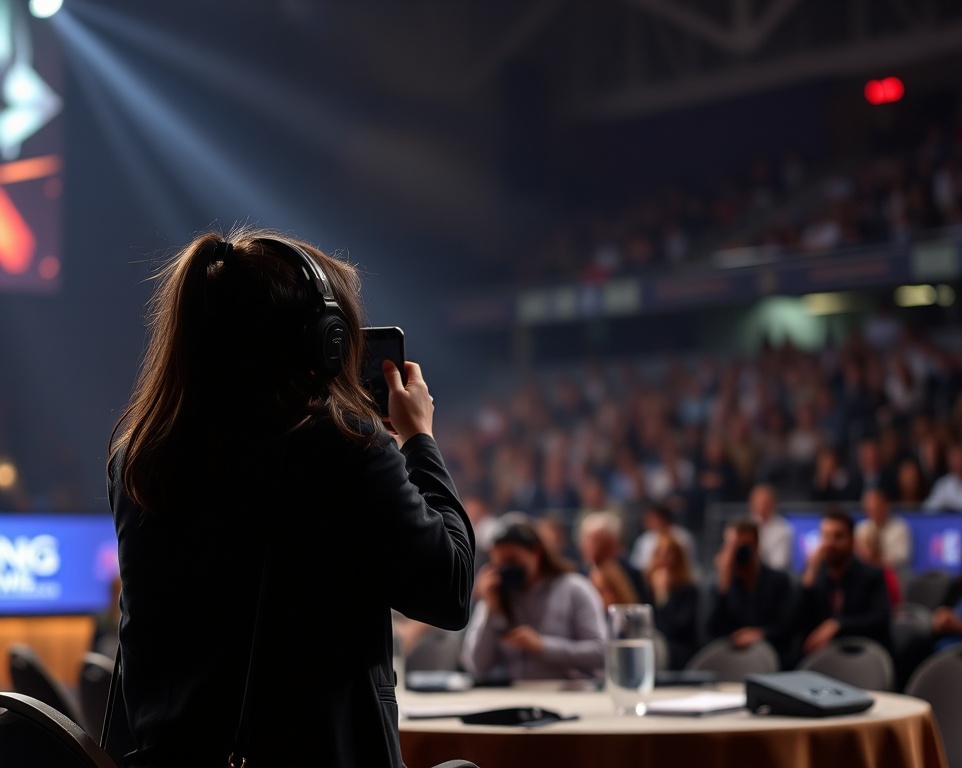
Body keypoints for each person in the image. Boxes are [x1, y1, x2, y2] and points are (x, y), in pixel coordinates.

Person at [108, 229, 475, 768]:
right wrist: (419, 438)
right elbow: (451, 590)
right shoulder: (342, 444)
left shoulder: (138, 457)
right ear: (320, 340)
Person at [460, 516, 606, 681]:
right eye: (500, 564)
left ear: (536, 552)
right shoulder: (497, 595)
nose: (507, 569)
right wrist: (490, 608)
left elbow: (602, 653)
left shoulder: (574, 589)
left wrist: (542, 646)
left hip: (569, 692)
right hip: (517, 695)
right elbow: (475, 666)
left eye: (512, 560)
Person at [785, 510, 892, 668]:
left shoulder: (872, 575)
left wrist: (838, 625)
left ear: (851, 540)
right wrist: (808, 579)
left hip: (860, 657)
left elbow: (880, 619)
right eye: (825, 536)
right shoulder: (815, 576)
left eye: (838, 536)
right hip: (820, 659)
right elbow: (792, 623)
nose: (830, 543)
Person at [707, 518, 793, 658]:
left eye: (744, 546)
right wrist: (723, 584)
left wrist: (761, 633)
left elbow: (789, 627)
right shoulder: (718, 585)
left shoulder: (779, 581)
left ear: (757, 546)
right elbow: (708, 633)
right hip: (729, 658)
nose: (739, 552)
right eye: (733, 546)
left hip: (772, 655)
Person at [645, 532, 700, 670]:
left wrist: (663, 596)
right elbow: (647, 625)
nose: (663, 558)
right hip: (652, 650)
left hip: (680, 655)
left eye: (668, 553)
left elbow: (675, 628)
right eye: (659, 552)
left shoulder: (688, 590)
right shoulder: (647, 587)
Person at [856, 488, 912, 573]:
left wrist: (875, 560)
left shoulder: (899, 528)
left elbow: (902, 559)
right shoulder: (862, 528)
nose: (874, 511)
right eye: (870, 508)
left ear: (886, 506)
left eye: (877, 507)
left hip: (893, 575)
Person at [923, 442, 962, 512]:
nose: (958, 466)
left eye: (960, 462)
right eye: (955, 463)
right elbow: (928, 507)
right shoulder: (943, 484)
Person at [747, 483, 793, 572]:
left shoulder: (784, 529)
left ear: (773, 504)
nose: (760, 507)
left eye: (764, 503)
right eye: (757, 502)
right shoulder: (742, 527)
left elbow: (779, 565)